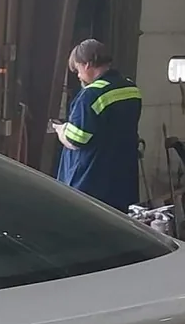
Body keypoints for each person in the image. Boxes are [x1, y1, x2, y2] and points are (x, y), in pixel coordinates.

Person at [50, 40, 143, 210]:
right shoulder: (130, 88)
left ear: (87, 65)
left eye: (78, 70)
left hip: (92, 182)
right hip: (123, 179)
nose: (79, 76)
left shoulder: (91, 95)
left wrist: (61, 129)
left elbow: (76, 140)